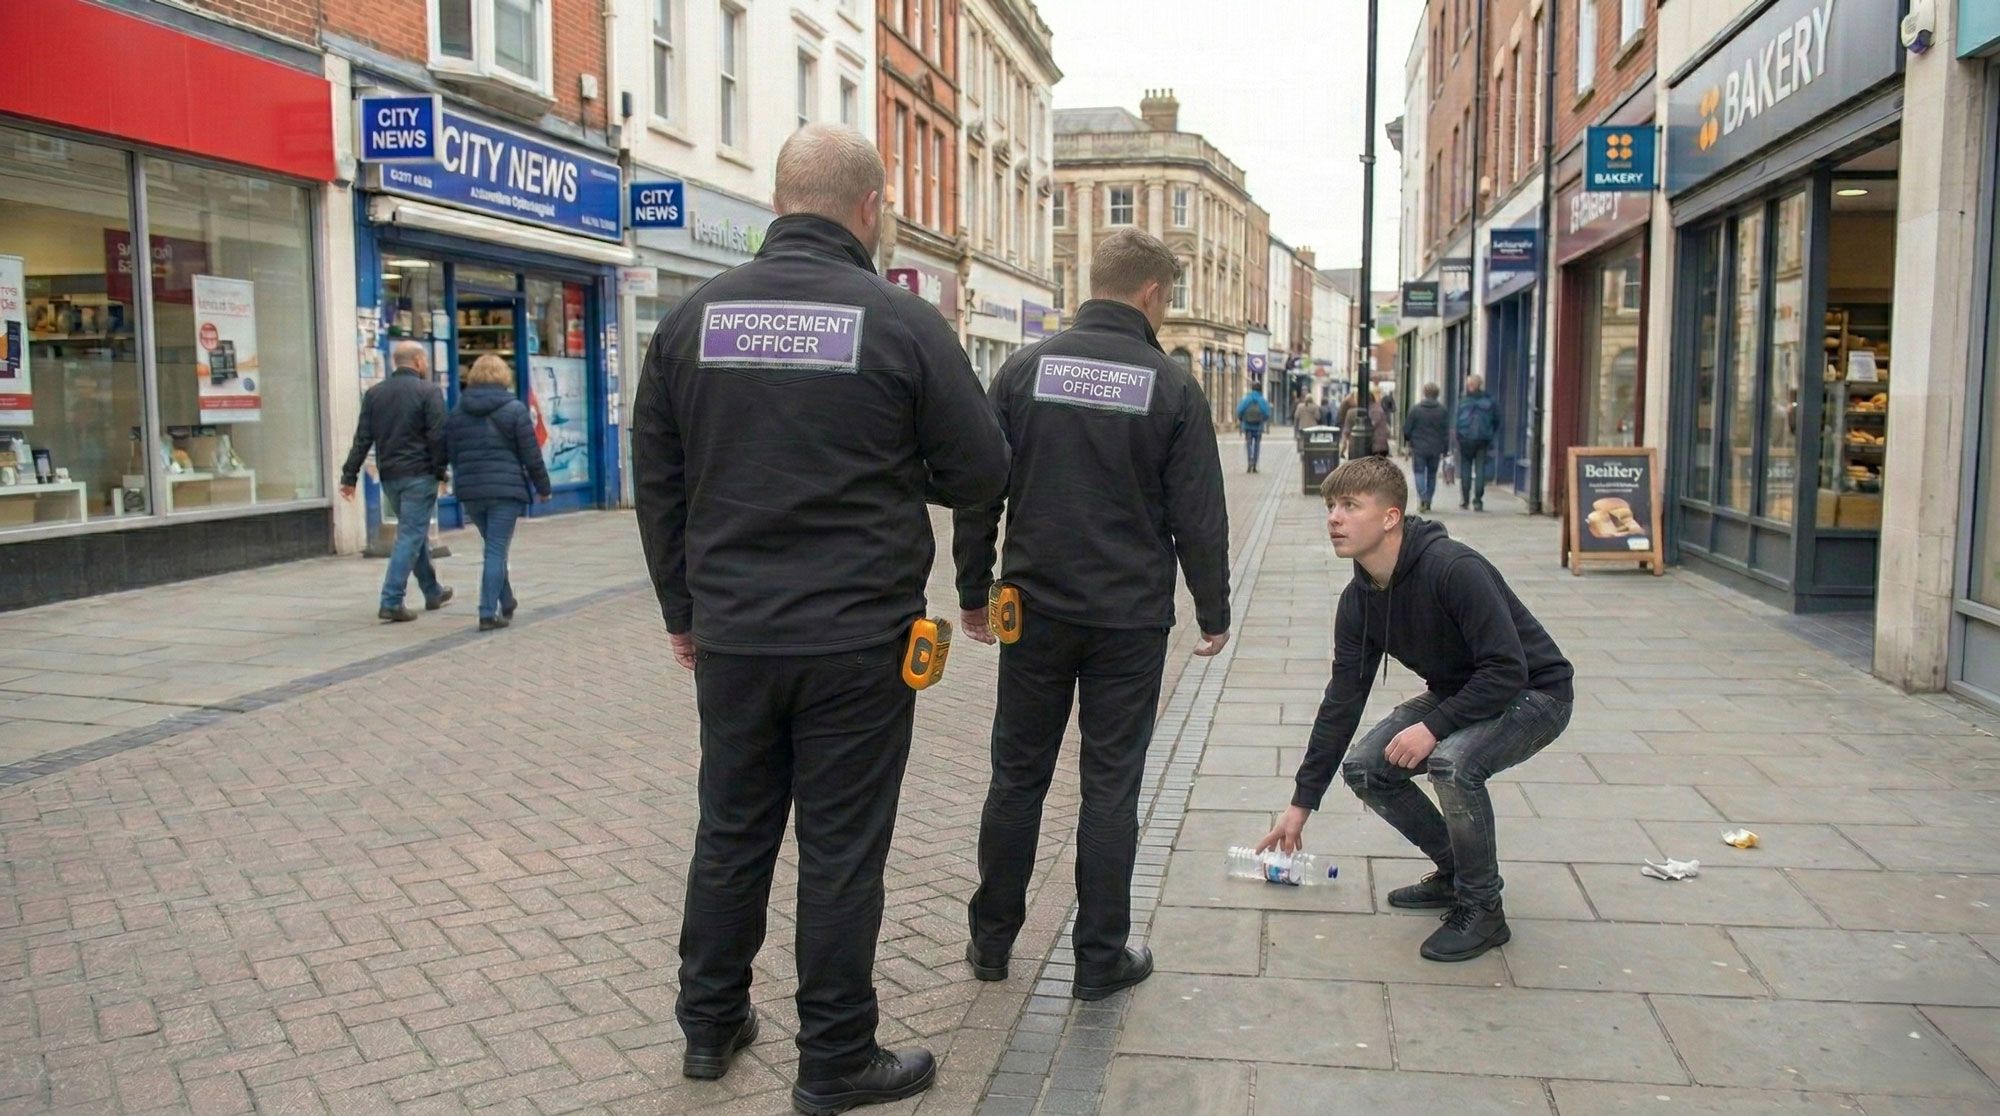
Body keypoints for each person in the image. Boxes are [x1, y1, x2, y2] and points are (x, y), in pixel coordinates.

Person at [633, 124, 1008, 1115]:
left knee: (732, 827)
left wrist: (683, 610)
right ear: (870, 209)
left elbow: (657, 486)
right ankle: (835, 1057)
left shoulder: (689, 321)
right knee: (840, 846)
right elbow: (981, 468)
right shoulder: (900, 322)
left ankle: (709, 1026)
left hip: (735, 635)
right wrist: (895, 462)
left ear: (775, 199)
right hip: (856, 638)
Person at [955, 228, 1231, 1004]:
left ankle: (991, 941)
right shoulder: (1170, 385)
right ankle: (1099, 957)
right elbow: (1199, 517)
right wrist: (1213, 608)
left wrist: (973, 590)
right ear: (1150, 293)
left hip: (1032, 610)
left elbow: (979, 489)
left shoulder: (1020, 370)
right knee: (1111, 786)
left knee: (1017, 776)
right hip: (1129, 620)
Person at [1258, 457, 1573, 962]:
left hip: (1537, 694)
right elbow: (1341, 702)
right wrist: (1300, 805)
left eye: (1350, 506)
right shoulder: (1359, 601)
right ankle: (1456, 872)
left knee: (1454, 763)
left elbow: (1507, 670)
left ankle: (1483, 908)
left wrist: (1434, 727)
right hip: (1463, 692)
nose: (1334, 518)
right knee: (1366, 768)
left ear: (1390, 517)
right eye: (1331, 506)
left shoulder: (1453, 568)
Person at [340, 340, 452, 622]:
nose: (425, 364)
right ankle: (391, 600)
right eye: (424, 360)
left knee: (414, 532)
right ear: (417, 361)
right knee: (411, 535)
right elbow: (438, 436)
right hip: (420, 474)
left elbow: (362, 438)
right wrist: (441, 472)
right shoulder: (429, 392)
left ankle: (432, 591)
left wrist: (349, 475)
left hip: (390, 477)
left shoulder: (375, 394)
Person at [444, 354, 552, 631]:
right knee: (496, 549)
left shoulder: (457, 411)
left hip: (471, 491)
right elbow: (531, 454)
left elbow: (452, 453)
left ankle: (507, 600)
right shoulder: (514, 410)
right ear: (504, 377)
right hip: (505, 490)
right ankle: (486, 612)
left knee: (493, 545)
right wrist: (543, 487)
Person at [1402, 382, 1451, 513]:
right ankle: (1428, 500)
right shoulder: (1442, 411)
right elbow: (1446, 432)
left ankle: (1422, 496)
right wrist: (1446, 449)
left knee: (1418, 472)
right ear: (1437, 394)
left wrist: (1408, 440)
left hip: (1419, 447)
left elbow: (1407, 429)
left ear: (1424, 393)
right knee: (1431, 475)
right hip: (1436, 447)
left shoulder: (1416, 410)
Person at [1454, 374, 1500, 511]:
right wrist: (1490, 434)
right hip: (1483, 439)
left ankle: (1465, 500)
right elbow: (1496, 421)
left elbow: (1457, 421)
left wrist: (1458, 437)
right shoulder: (1489, 402)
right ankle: (1478, 501)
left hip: (1465, 439)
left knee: (1465, 470)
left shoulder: (1463, 401)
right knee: (1480, 469)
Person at [1234, 382, 1272, 473]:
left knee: (1248, 444)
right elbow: (1267, 413)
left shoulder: (1247, 399)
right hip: (1258, 426)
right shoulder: (1262, 400)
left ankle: (1249, 460)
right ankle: (1255, 464)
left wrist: (1241, 419)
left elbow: (1239, 411)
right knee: (1257, 445)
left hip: (1247, 425)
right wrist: (1263, 420)